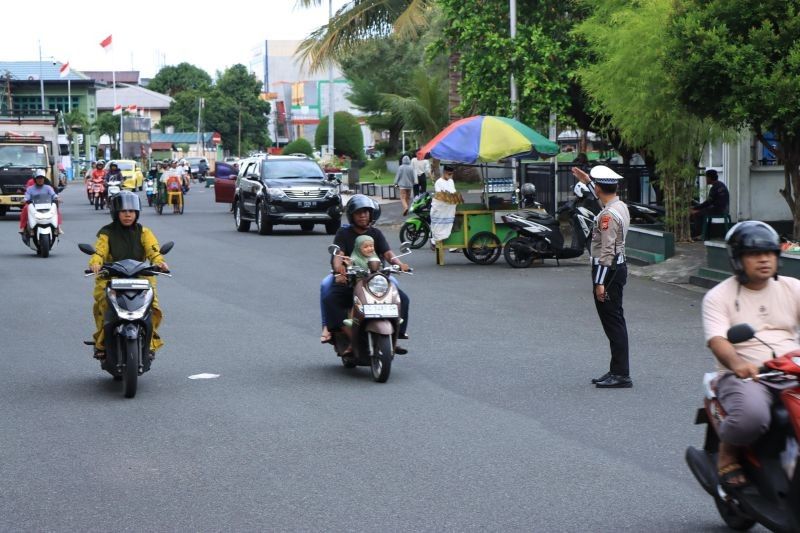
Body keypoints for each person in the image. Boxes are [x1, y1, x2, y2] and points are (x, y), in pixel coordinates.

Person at [701, 220, 799, 489]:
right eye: (755, 254)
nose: (764, 260)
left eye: (770, 253)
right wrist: (738, 363)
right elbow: (717, 339)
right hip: (747, 376)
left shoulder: (792, 288)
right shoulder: (718, 296)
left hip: (791, 368)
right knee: (751, 417)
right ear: (738, 259)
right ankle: (727, 453)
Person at [320, 195, 411, 354]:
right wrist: (339, 268)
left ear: (371, 214)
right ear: (352, 216)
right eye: (359, 213)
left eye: (366, 212)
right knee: (330, 297)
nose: (363, 215)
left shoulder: (375, 232)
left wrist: (399, 264)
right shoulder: (344, 232)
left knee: (402, 298)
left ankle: (397, 334)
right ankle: (341, 333)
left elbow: (388, 254)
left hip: (376, 279)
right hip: (351, 278)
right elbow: (338, 254)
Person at [87, 191, 168, 360]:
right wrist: (95, 262)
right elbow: (99, 251)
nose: (128, 215)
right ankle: (102, 343)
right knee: (103, 305)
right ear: (116, 213)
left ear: (137, 213)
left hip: (140, 276)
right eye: (123, 211)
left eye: (131, 211)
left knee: (153, 307)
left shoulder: (144, 232)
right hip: (111, 276)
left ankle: (150, 342)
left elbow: (153, 250)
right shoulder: (106, 232)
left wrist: (160, 262)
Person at [572, 165, 632, 388]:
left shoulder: (608, 216)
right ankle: (616, 369)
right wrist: (589, 181)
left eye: (595, 186)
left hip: (609, 272)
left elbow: (606, 252)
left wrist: (599, 283)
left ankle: (622, 374)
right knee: (614, 321)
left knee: (613, 323)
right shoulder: (619, 205)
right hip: (617, 269)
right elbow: (602, 203)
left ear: (599, 188)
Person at [19, 169, 61, 234]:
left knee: (55, 209)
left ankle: (57, 227)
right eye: (38, 178)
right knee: (25, 208)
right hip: (33, 205)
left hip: (46, 205)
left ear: (44, 179)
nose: (40, 180)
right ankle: (23, 227)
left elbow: (53, 194)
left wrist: (57, 198)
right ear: (35, 179)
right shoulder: (30, 188)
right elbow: (27, 196)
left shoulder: (48, 188)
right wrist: (24, 200)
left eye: (42, 178)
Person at [691, 169, 730, 240]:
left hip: (718, 209)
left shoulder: (714, 188)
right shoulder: (721, 184)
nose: (705, 179)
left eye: (706, 177)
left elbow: (708, 202)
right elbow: (709, 202)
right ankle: (702, 233)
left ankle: (700, 234)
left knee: (697, 214)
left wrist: (696, 208)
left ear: (709, 178)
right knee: (700, 211)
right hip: (723, 209)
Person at [430, 164, 460, 247]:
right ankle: (435, 241)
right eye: (449, 174)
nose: (450, 176)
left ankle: (452, 246)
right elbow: (440, 196)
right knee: (439, 227)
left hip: (449, 208)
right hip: (441, 209)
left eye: (451, 174)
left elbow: (453, 192)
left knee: (452, 225)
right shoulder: (438, 182)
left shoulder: (451, 181)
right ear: (444, 172)